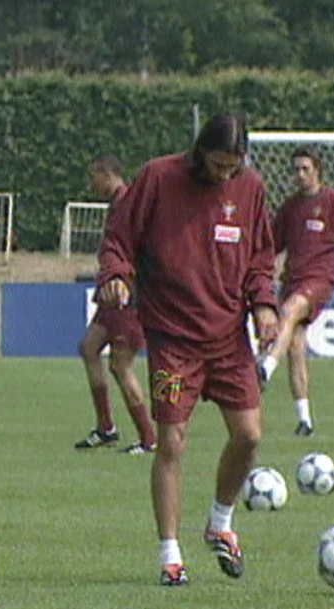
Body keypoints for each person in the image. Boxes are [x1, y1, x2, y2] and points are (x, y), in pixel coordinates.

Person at [97, 112, 278, 586]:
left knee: (250, 435)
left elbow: (260, 259)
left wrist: (264, 306)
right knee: (172, 442)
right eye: (217, 165)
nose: (223, 175)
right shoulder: (158, 177)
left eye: (232, 167)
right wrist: (116, 274)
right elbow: (119, 238)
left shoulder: (250, 189)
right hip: (173, 338)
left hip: (228, 338)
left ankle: (220, 524)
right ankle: (170, 555)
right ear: (200, 152)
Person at [257, 147, 334, 436]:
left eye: (305, 169)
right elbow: (271, 246)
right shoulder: (290, 207)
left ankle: (265, 367)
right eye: (295, 170)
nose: (299, 175)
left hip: (320, 279)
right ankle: (305, 420)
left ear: (317, 169)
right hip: (293, 278)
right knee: (295, 345)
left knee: (289, 310)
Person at [75, 155, 157, 454]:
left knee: (121, 366)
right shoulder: (118, 203)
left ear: (107, 174)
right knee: (88, 347)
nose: (91, 184)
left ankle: (149, 438)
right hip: (110, 295)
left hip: (127, 294)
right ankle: (106, 427)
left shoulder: (128, 202)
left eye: (93, 176)